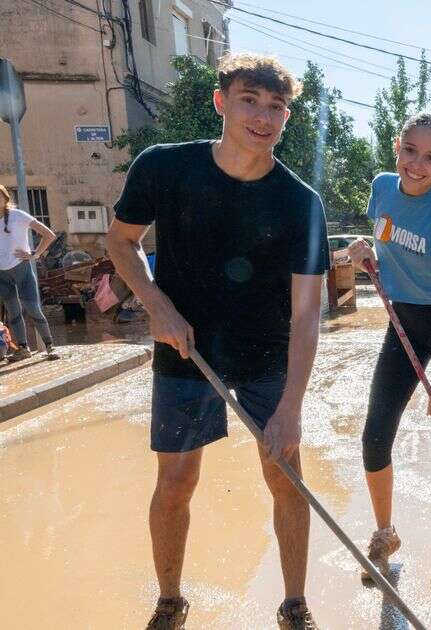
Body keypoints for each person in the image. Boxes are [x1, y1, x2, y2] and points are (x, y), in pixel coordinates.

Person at [107, 53, 329, 630]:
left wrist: (291, 408)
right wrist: (157, 306)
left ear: (287, 116)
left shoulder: (300, 202)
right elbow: (120, 243)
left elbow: (307, 314)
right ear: (220, 102)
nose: (263, 116)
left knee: (286, 474)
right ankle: (170, 600)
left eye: (276, 106)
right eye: (249, 100)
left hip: (266, 358)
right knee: (176, 481)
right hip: (186, 353)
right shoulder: (163, 168)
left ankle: (295, 604)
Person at [347, 113, 431, 590]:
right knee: (375, 434)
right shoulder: (382, 188)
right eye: (409, 151)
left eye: (430, 157)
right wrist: (367, 256)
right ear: (396, 147)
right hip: (403, 321)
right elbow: (387, 247)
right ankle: (384, 535)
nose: (416, 165)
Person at [0, 184, 59, 362]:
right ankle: (23, 349)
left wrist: (35, 254)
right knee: (13, 312)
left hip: (22, 269)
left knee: (32, 308)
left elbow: (48, 234)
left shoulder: (18, 216)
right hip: (2, 275)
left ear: (5, 198)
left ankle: (50, 347)